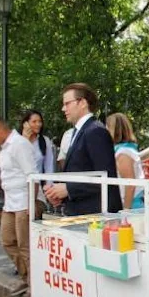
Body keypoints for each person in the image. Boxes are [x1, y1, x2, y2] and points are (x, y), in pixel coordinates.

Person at [0, 117, 37, 297]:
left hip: (23, 202)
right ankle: (26, 277)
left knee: (25, 245)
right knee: (7, 241)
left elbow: (32, 175)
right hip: (10, 203)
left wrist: (31, 205)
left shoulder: (19, 144)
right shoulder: (5, 148)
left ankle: (34, 286)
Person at [44, 83, 122, 215]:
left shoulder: (95, 131)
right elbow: (81, 171)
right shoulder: (80, 131)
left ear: (83, 103)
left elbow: (106, 176)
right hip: (82, 212)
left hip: (97, 216)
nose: (63, 108)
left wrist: (68, 189)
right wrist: (60, 193)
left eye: (67, 103)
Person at [19, 110, 55, 218]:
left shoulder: (45, 141)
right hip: (18, 186)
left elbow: (49, 166)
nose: (38, 124)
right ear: (25, 123)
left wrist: (49, 188)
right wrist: (25, 139)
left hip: (36, 187)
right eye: (34, 121)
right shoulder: (17, 140)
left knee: (34, 212)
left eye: (40, 121)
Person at [106, 113, 145, 209]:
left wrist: (126, 211)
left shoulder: (123, 153)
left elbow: (130, 184)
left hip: (132, 206)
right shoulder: (126, 149)